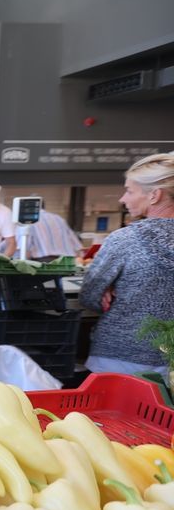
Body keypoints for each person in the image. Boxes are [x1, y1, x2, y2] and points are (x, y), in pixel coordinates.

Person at [79, 152, 174, 377]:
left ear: (155, 195)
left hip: (119, 360)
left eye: (130, 191)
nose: (123, 199)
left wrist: (109, 289)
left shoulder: (125, 240)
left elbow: (90, 296)